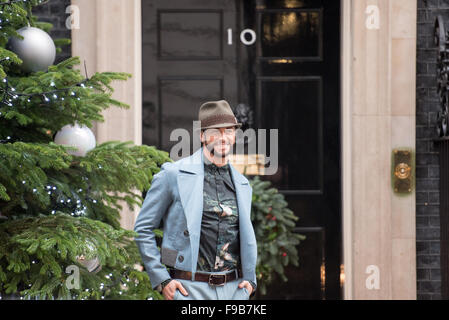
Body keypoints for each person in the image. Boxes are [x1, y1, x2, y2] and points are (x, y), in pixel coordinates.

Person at [134, 100, 257, 300]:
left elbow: (243, 237)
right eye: (215, 131)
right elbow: (143, 229)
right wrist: (163, 279)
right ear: (202, 135)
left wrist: (250, 282)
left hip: (234, 291)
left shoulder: (242, 184)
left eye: (229, 130)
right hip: (188, 290)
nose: (223, 137)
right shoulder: (173, 174)